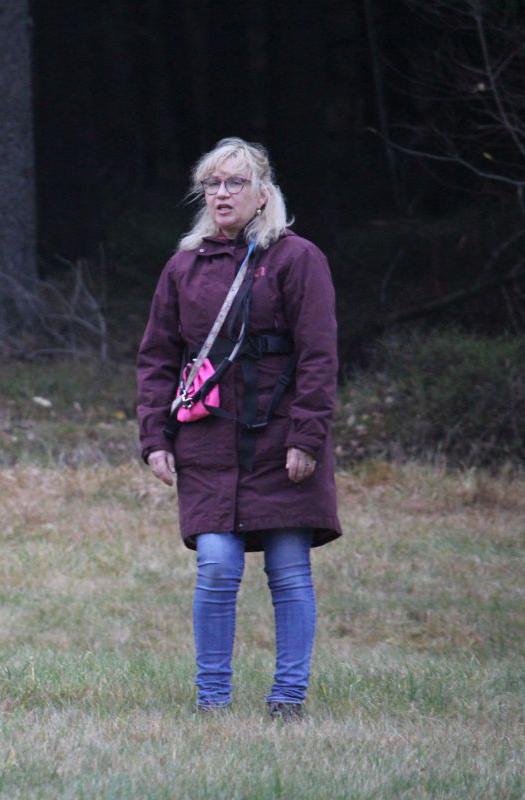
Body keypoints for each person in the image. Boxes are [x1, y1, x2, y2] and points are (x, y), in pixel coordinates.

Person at [136, 137, 341, 720]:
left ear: (262, 193)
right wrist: (154, 437)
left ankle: (288, 700)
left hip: (283, 437)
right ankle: (212, 701)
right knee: (218, 567)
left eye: (234, 183)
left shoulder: (299, 259)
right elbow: (156, 357)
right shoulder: (183, 265)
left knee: (289, 571)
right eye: (212, 184)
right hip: (207, 437)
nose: (221, 194)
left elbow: (320, 357)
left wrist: (307, 436)